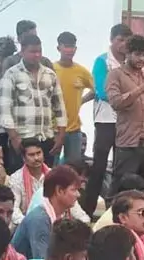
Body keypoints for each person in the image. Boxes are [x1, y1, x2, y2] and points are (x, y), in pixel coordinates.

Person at [84, 23, 132, 218]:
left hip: (126, 122)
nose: (123, 44)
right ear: (112, 40)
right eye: (120, 40)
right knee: (99, 166)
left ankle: (116, 211)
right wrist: (127, 97)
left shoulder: (130, 62)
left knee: (121, 167)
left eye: (127, 41)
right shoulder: (102, 61)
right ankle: (87, 210)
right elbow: (102, 91)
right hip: (105, 120)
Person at [0, 33, 66, 172]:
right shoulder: (11, 74)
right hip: (23, 139)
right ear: (22, 51)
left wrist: (60, 136)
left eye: (39, 51)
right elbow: (4, 109)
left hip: (46, 138)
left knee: (46, 180)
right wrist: (14, 137)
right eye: (33, 52)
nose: (37, 55)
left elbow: (59, 107)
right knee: (21, 179)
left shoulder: (50, 74)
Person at [107, 34, 144, 190]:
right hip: (129, 142)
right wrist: (140, 89)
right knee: (121, 189)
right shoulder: (115, 75)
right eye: (137, 54)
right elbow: (116, 102)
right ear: (128, 53)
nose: (141, 59)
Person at [11, 164, 79, 260]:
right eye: (74, 190)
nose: (78, 194)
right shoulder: (39, 219)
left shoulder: (59, 216)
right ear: (59, 190)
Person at [52, 31, 94, 164]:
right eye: (66, 46)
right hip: (53, 129)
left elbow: (96, 90)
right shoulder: (51, 70)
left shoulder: (81, 71)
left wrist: (81, 101)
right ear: (58, 48)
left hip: (74, 129)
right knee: (51, 167)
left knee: (73, 167)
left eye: (72, 47)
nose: (69, 50)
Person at [6, 137, 48, 225]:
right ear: (23, 158)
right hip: (25, 224)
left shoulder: (53, 175)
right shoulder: (16, 178)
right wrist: (29, 223)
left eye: (39, 153)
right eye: (31, 155)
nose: (36, 158)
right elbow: (14, 209)